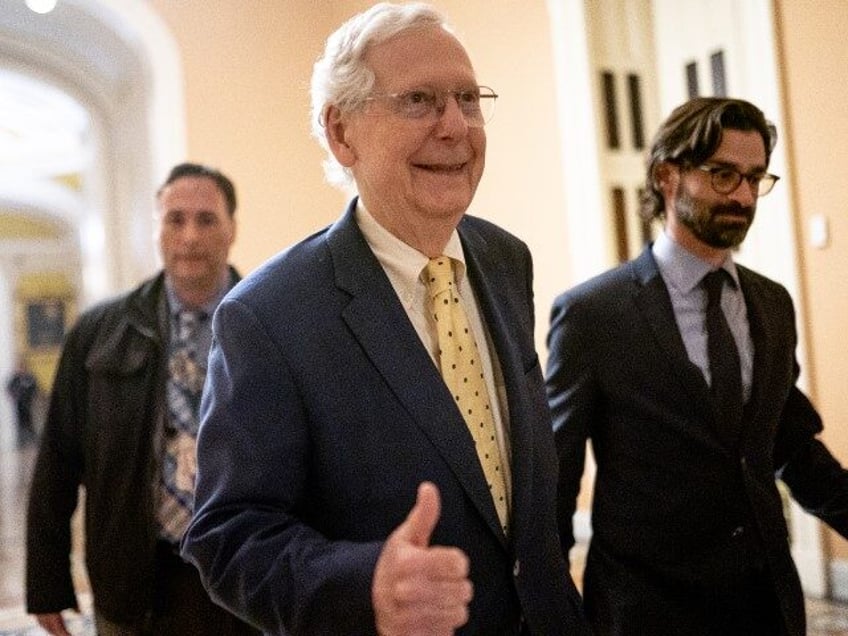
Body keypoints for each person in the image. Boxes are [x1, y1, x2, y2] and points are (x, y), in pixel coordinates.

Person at [180, 4, 589, 635]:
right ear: (343, 133)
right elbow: (229, 535)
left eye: (468, 99)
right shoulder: (267, 315)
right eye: (420, 100)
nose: (456, 127)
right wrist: (364, 585)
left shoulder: (507, 261)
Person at [546, 96, 848, 636]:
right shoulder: (593, 315)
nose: (745, 196)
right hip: (645, 610)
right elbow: (557, 474)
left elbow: (791, 446)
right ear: (667, 177)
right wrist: (550, 608)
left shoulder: (773, 304)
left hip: (767, 605)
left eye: (756, 178)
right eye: (723, 175)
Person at [26, 163, 258, 635]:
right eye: (175, 219)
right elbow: (57, 461)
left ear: (231, 229)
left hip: (246, 575)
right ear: (157, 229)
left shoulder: (270, 324)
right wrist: (46, 581)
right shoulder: (99, 334)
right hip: (135, 580)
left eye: (206, 219)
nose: (190, 236)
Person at [7, 358, 38, 447]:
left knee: (30, 421)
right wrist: (15, 396)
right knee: (20, 422)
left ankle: (32, 439)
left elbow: (34, 388)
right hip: (19, 405)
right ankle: (21, 441)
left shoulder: (29, 378)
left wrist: (32, 396)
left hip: (29, 404)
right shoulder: (15, 379)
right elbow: (10, 388)